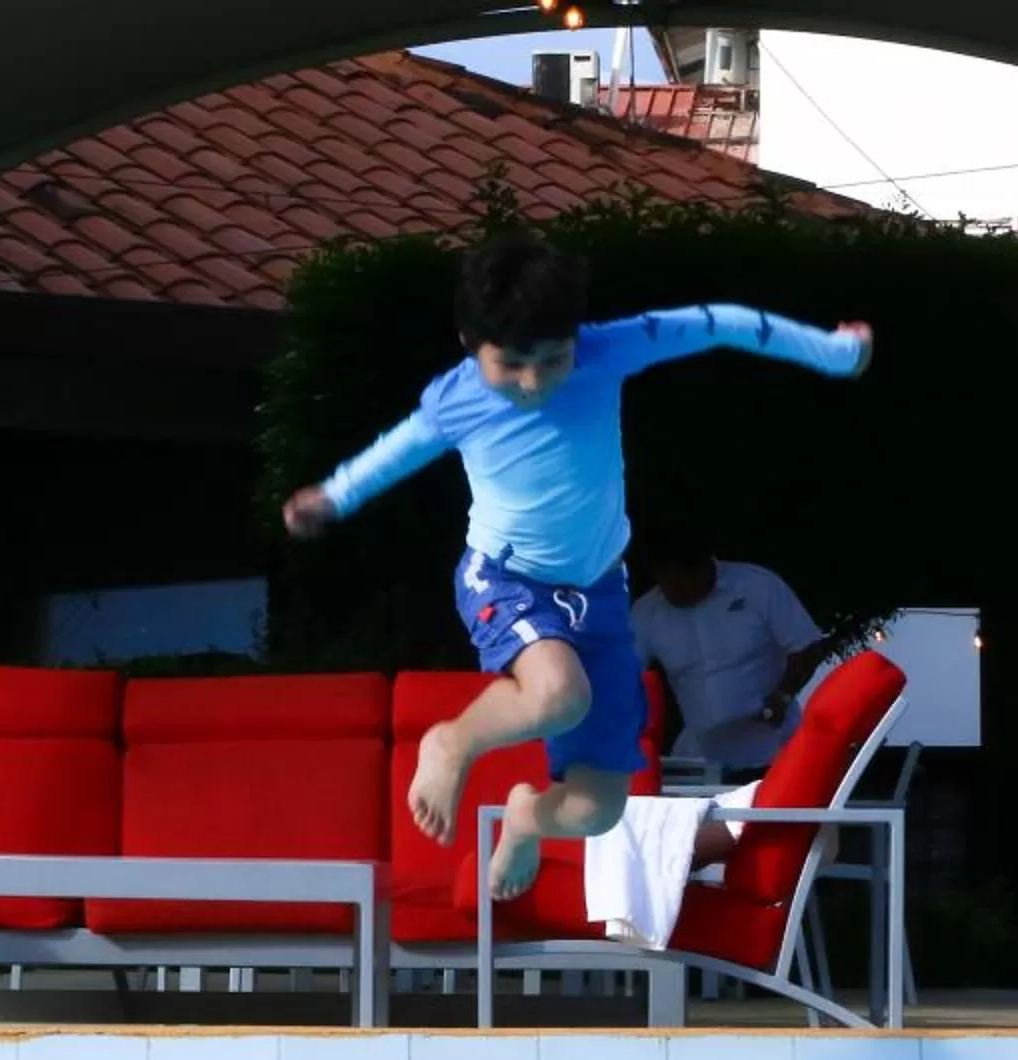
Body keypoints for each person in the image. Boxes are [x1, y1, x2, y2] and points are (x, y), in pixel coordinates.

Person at [280, 231, 872, 900]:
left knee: (598, 808)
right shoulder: (457, 398)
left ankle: (526, 819)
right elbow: (399, 450)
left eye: (552, 360)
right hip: (507, 576)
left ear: (576, 337)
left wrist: (829, 351)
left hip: (600, 592)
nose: (533, 382)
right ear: (468, 341)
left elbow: (719, 323)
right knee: (559, 695)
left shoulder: (607, 348)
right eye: (512, 364)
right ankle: (450, 744)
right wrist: (334, 496)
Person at [632, 542, 847, 774]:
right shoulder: (647, 612)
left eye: (679, 583)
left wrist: (783, 695)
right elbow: (624, 676)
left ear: (703, 568)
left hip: (774, 751)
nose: (671, 592)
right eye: (664, 582)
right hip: (700, 760)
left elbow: (806, 647)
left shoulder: (757, 586)